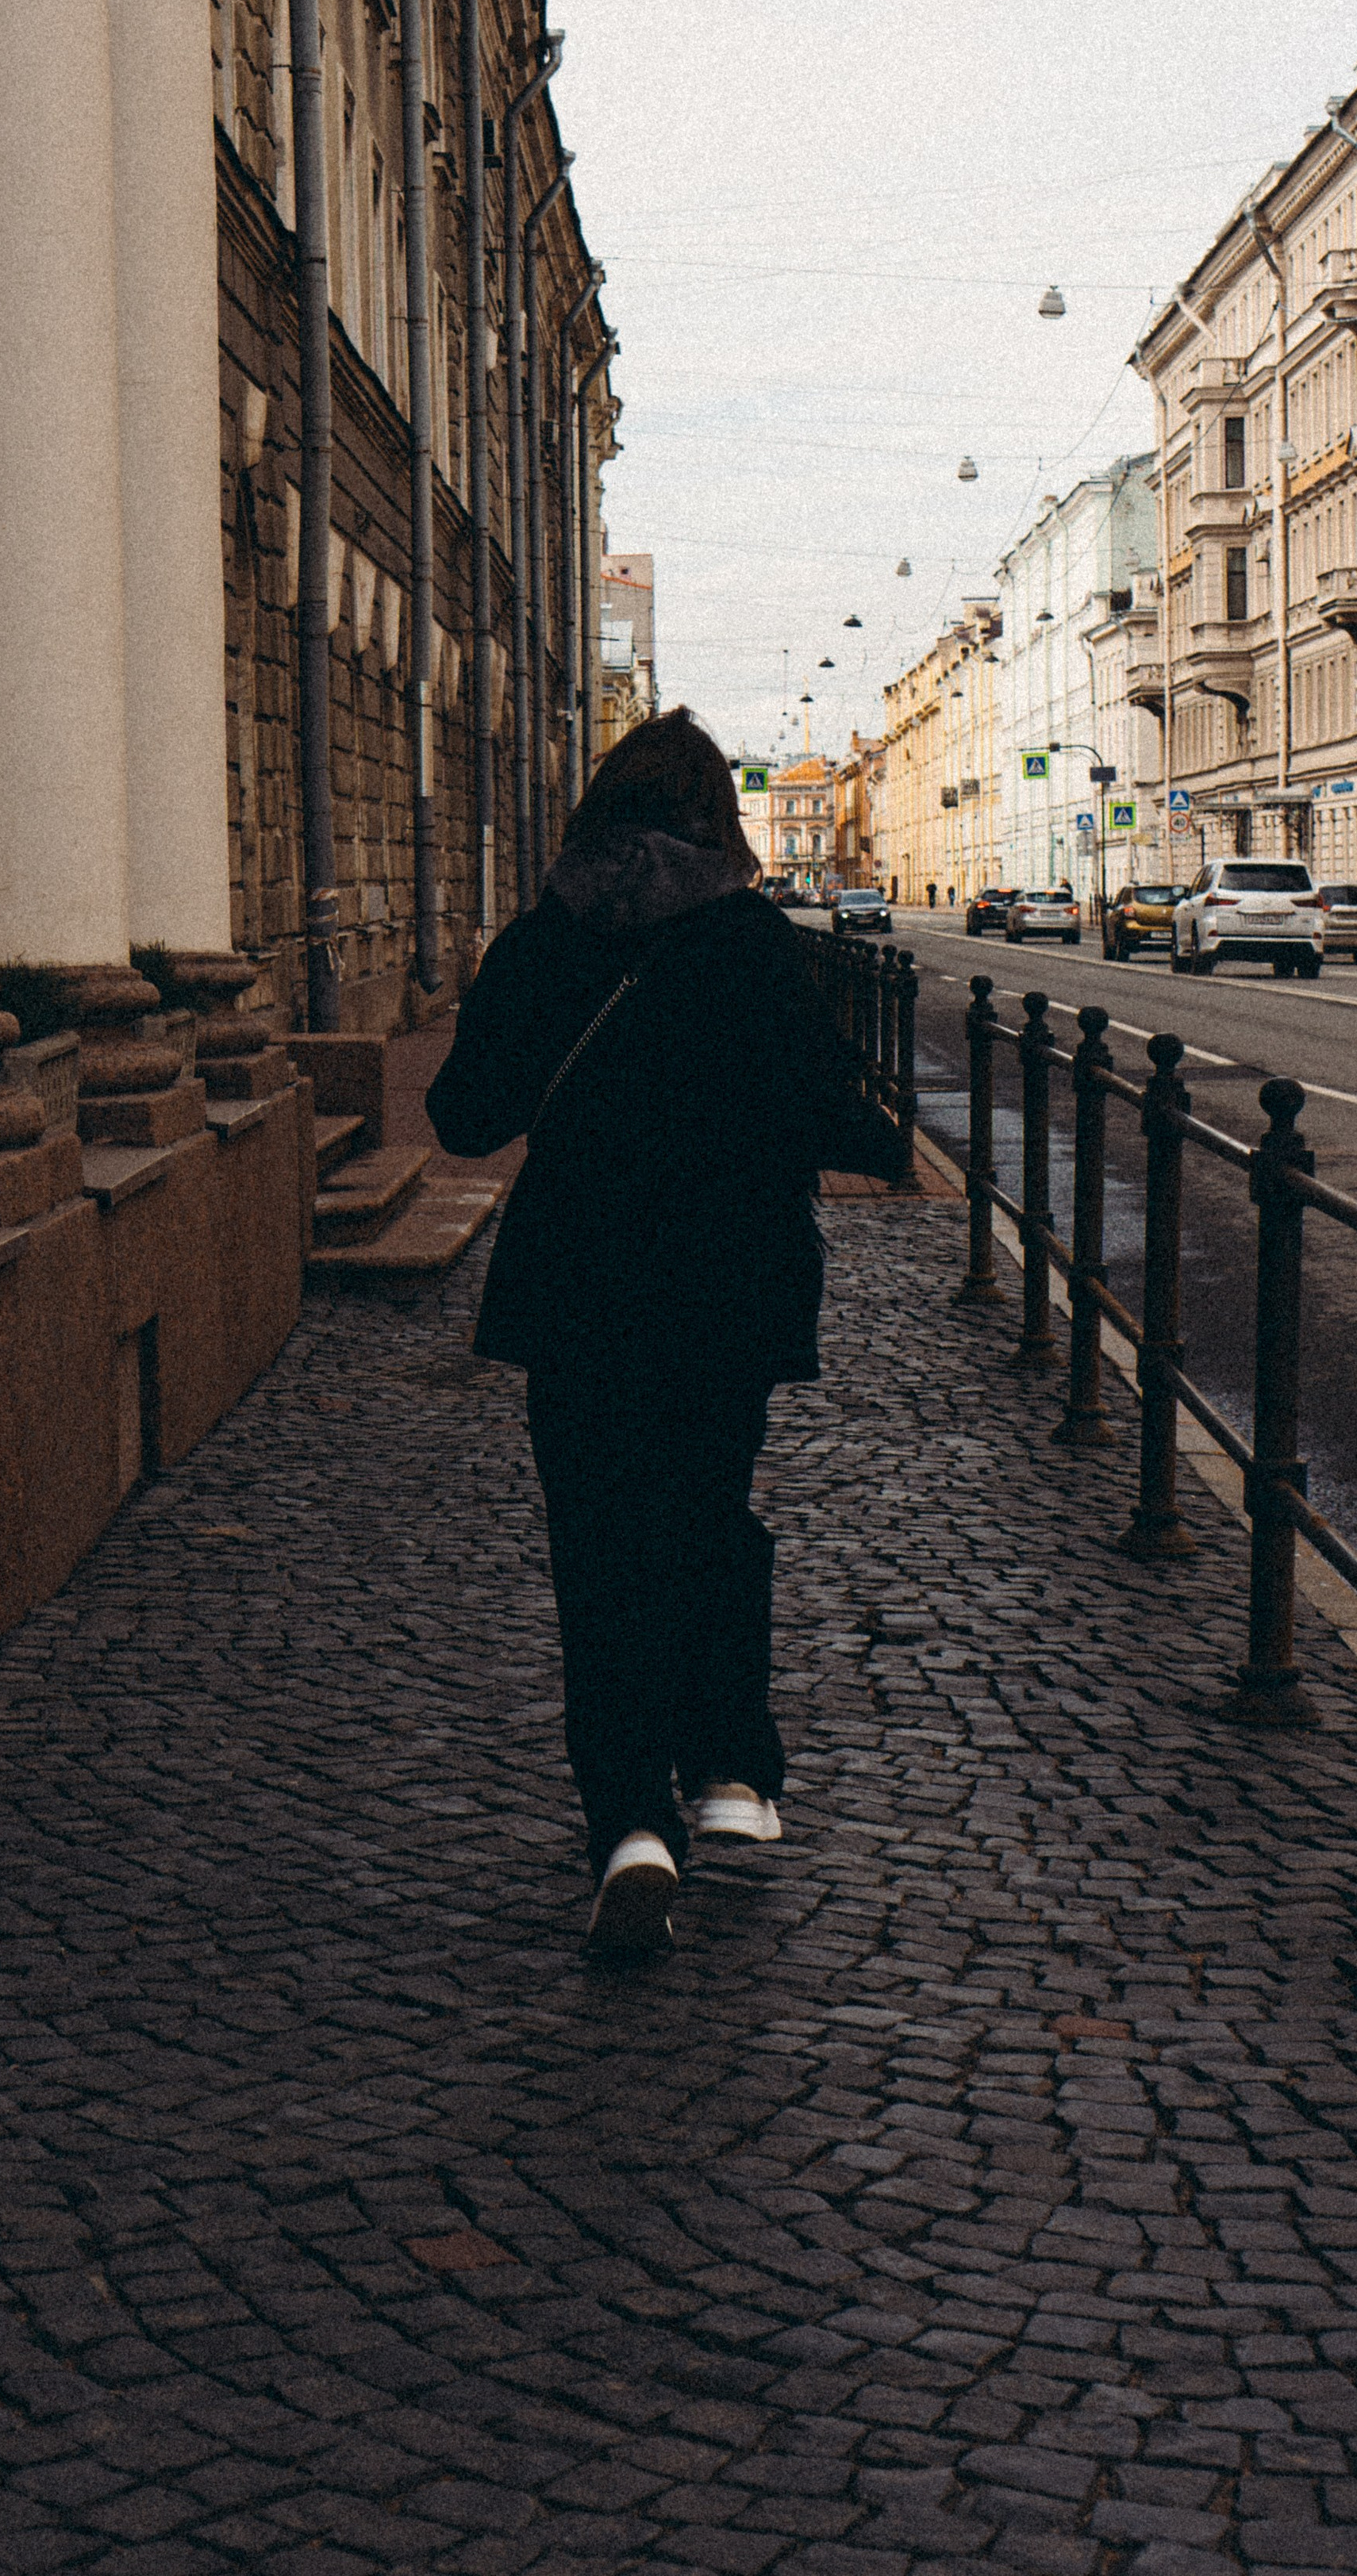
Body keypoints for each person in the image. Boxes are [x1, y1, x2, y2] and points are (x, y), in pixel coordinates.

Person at [427, 708, 909, 1960]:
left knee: (599, 1548)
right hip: (725, 1292)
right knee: (706, 1517)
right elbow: (845, 1120)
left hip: (578, 1292)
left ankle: (632, 1826)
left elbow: (465, 1121)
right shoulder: (753, 946)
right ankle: (737, 1777)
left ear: (596, 815)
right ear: (719, 821)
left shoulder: (543, 942)